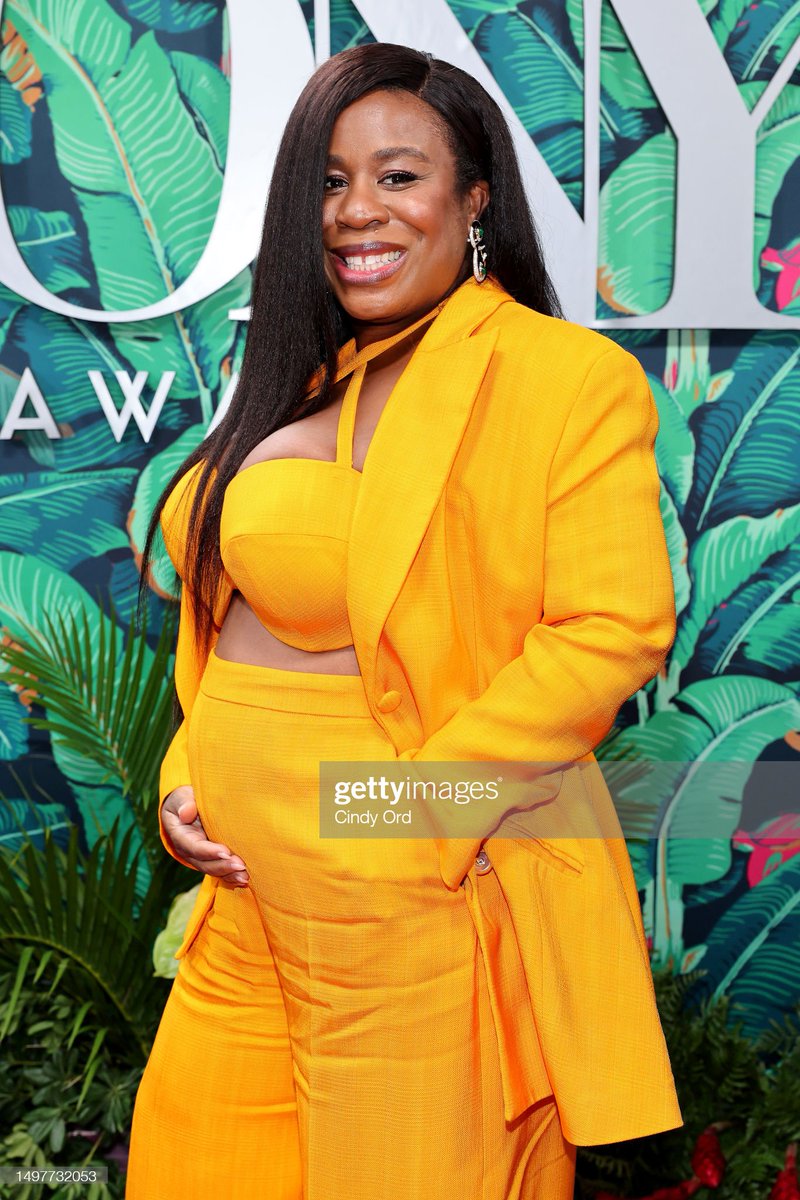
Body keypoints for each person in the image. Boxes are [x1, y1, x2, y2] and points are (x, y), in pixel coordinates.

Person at [126, 41, 683, 1200]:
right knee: (193, 1166)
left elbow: (608, 629)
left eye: (396, 175)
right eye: (328, 181)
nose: (355, 211)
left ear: (473, 198)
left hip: (392, 890)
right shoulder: (316, 371)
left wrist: (400, 819)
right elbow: (229, 623)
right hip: (240, 897)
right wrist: (187, 776)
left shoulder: (558, 377)